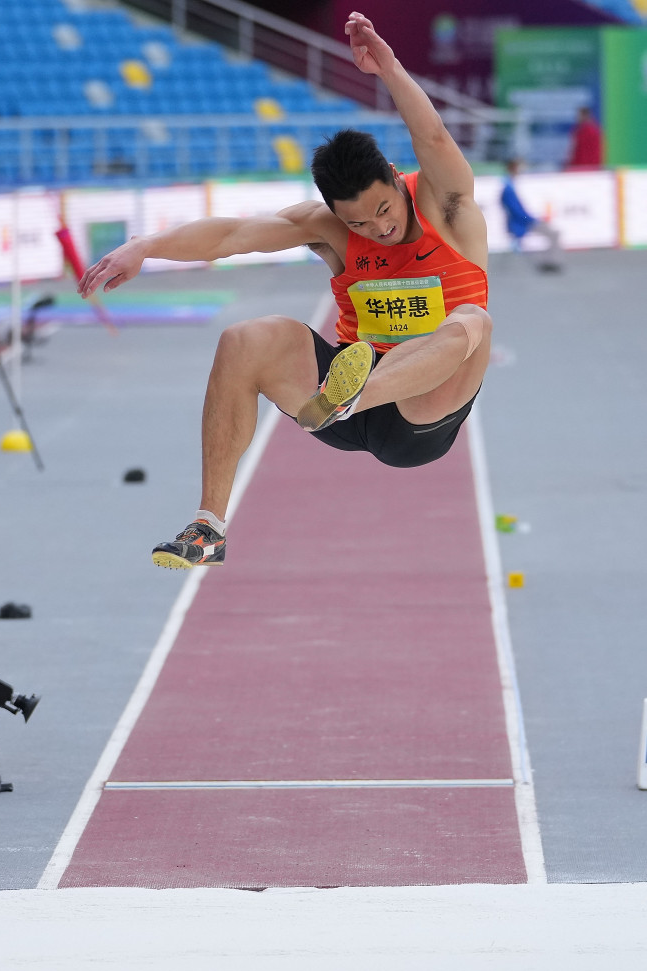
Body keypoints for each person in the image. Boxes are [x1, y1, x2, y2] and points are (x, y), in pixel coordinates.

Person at [77, 11, 492, 571]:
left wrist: (388, 67)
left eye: (385, 211)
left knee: (473, 324)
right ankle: (209, 526)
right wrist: (145, 246)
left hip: (420, 413)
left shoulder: (447, 208)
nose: (378, 228)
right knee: (245, 339)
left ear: (398, 179)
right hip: (345, 397)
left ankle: (348, 396)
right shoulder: (330, 226)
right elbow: (231, 235)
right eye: (361, 223)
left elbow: (433, 136)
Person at [500, 158, 563, 273]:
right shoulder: (508, 188)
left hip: (524, 221)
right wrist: (533, 220)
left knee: (552, 234)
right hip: (522, 223)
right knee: (554, 234)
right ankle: (550, 262)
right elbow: (517, 212)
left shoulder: (509, 185)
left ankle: (549, 261)